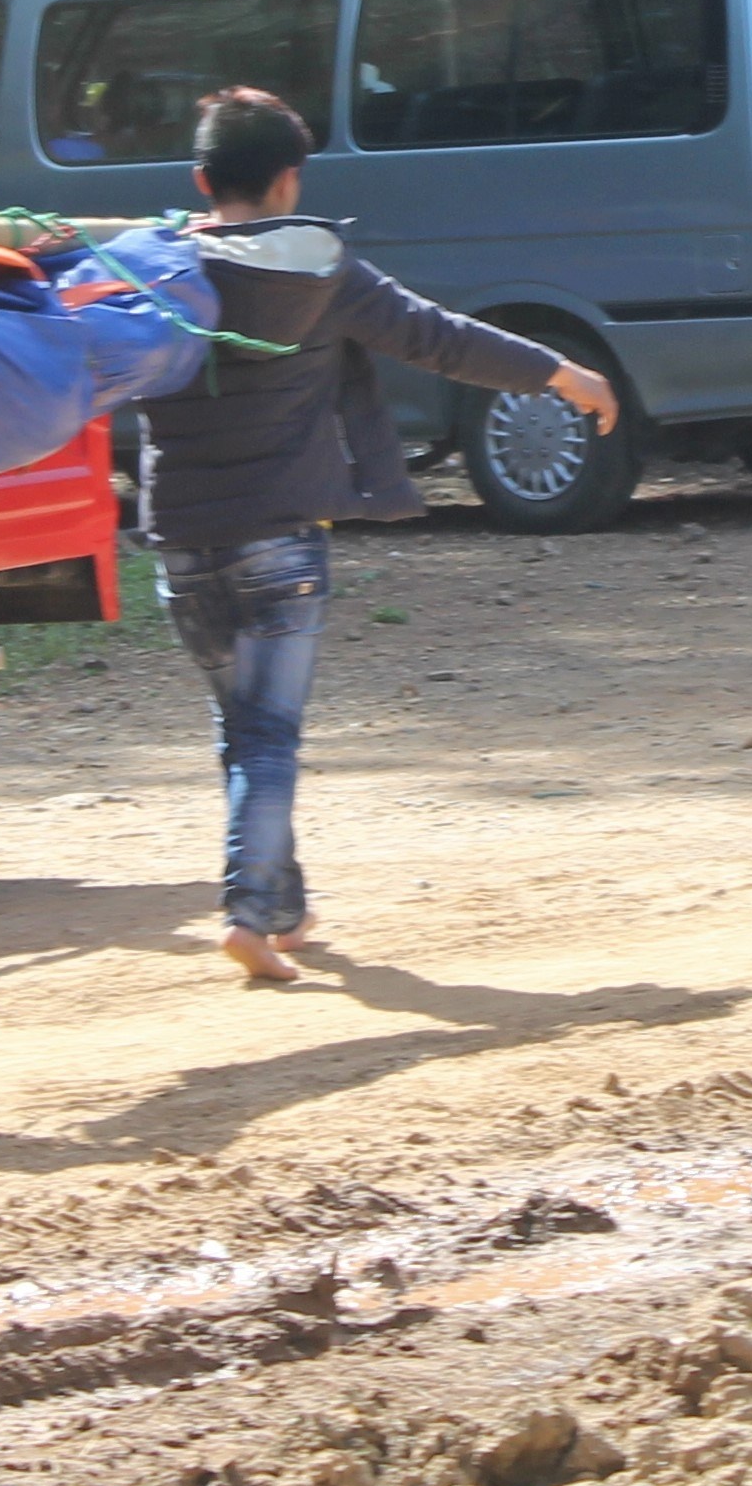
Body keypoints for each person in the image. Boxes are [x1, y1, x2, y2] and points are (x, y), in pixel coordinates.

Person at [132, 88, 619, 982]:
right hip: (279, 542)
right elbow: (439, 340)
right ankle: (246, 909)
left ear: (202, 180)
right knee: (268, 733)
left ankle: (281, 906)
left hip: (182, 541)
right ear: (291, 180)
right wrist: (560, 371)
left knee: (244, 727)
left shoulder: (159, 273)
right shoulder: (324, 273)